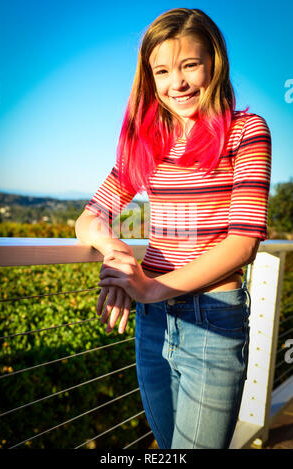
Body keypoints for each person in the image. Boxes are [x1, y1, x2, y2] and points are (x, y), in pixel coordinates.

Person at [75, 8, 271, 449]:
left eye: (189, 66)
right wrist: (116, 250)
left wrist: (149, 289)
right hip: (153, 322)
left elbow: (242, 245)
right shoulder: (151, 141)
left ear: (214, 64)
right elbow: (88, 218)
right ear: (149, 77)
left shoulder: (246, 131)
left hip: (213, 320)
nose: (176, 83)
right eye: (162, 70)